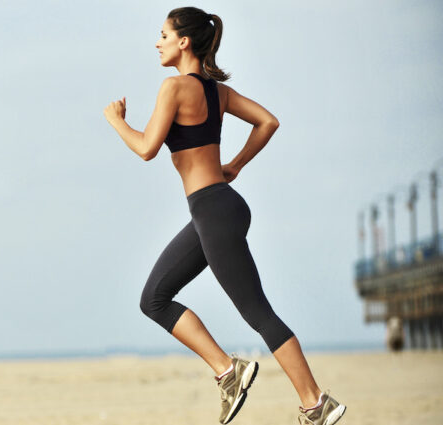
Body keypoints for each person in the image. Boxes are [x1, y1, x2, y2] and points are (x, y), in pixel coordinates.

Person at [101, 7, 347, 425]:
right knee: (154, 298)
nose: (157, 43)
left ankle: (314, 402)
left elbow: (146, 148)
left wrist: (116, 121)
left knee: (258, 313)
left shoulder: (173, 87)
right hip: (215, 208)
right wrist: (235, 165)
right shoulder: (219, 93)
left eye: (163, 35)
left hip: (213, 211)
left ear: (184, 42)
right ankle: (228, 371)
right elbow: (267, 122)